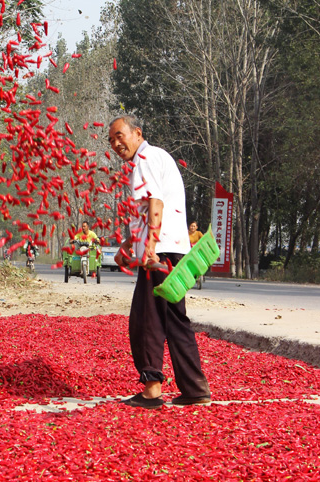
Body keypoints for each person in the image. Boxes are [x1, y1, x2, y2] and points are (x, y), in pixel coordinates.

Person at [109, 114, 211, 409]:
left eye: (120, 136)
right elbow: (147, 211)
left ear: (137, 133)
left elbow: (156, 203)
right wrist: (128, 245)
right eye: (111, 140)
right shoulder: (156, 157)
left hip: (160, 254)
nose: (116, 144)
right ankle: (194, 388)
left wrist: (150, 247)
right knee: (176, 320)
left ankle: (152, 390)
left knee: (147, 318)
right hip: (174, 250)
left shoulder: (146, 158)